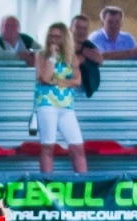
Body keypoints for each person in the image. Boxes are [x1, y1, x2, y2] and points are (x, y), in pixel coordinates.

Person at [32, 23, 86, 175]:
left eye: (57, 36)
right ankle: (47, 184)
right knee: (48, 146)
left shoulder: (71, 57)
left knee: (77, 147)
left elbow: (77, 80)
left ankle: (83, 184)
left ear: (65, 38)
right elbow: (44, 77)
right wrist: (53, 56)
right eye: (51, 35)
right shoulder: (41, 55)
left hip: (67, 106)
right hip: (47, 104)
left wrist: (56, 82)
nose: (53, 39)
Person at [71, 14, 102, 96]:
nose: (81, 31)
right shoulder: (62, 43)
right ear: (70, 28)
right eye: (78, 27)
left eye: (84, 28)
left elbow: (99, 60)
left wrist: (81, 49)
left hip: (81, 92)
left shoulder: (88, 45)